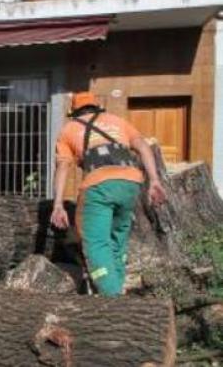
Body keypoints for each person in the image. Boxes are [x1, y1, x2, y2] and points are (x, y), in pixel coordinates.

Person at [50, 92, 167, 297]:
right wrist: (155, 180)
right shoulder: (117, 121)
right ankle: (118, 287)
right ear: (97, 107)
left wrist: (58, 204)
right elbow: (142, 146)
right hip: (130, 185)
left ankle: (113, 301)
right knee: (117, 240)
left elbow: (62, 166)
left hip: (98, 187)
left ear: (74, 112)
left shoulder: (69, 129)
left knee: (96, 243)